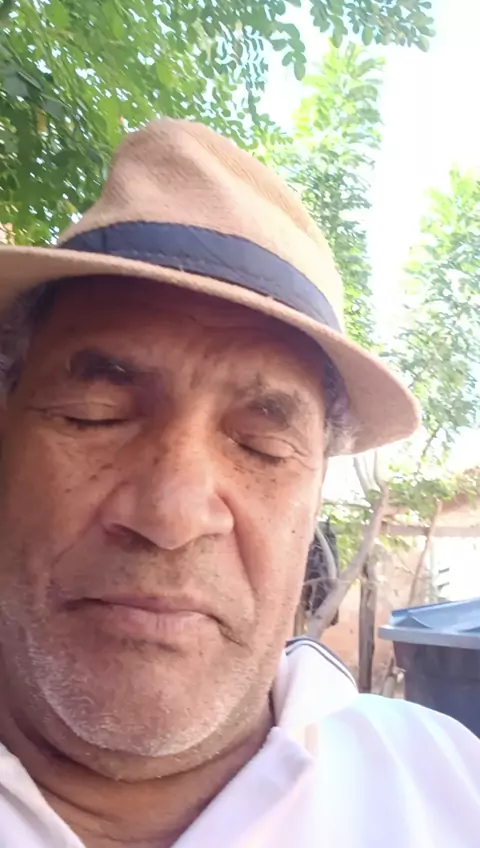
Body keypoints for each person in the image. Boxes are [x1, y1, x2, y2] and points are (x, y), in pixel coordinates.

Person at [0, 119, 479, 848]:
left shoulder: (450, 794)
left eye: (261, 445)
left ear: (314, 497)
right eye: (95, 414)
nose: (171, 515)